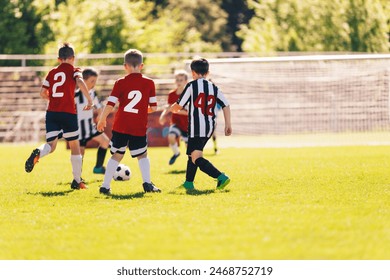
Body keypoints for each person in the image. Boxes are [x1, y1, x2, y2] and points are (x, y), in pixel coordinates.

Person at [25, 43, 93, 190]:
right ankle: (77, 181)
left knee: (51, 145)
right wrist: (89, 99)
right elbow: (80, 81)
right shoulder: (74, 70)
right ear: (73, 58)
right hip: (68, 112)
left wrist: (54, 99)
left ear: (58, 59)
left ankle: (39, 152)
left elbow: (42, 93)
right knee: (75, 146)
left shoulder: (52, 72)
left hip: (52, 113)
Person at [97, 49, 161, 195]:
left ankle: (105, 185)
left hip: (121, 125)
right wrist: (140, 110)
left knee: (117, 155)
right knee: (142, 155)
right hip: (138, 126)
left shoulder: (120, 82)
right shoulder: (149, 83)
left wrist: (102, 119)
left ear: (125, 66)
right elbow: (154, 107)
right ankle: (147, 184)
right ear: (142, 65)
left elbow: (110, 104)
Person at [169, 58, 232, 190]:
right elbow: (226, 105)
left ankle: (221, 176)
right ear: (208, 72)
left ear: (193, 73)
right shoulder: (214, 87)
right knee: (192, 153)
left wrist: (172, 108)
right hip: (209, 127)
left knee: (196, 157)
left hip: (196, 128)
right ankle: (188, 183)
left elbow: (179, 105)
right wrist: (228, 124)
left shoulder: (191, 86)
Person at [74, 68, 109, 174]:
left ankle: (98, 167)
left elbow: (98, 106)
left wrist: (100, 115)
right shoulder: (76, 94)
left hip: (90, 126)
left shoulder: (92, 93)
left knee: (105, 141)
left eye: (95, 81)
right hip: (79, 129)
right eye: (92, 81)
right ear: (83, 81)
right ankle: (77, 177)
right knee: (80, 153)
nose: (94, 84)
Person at [159, 70, 189, 165]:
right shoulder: (171, 94)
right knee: (171, 136)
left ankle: (191, 166)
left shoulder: (188, 95)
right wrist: (163, 115)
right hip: (176, 123)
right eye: (177, 80)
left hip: (188, 125)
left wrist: (176, 110)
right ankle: (176, 153)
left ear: (186, 82)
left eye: (181, 80)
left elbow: (189, 113)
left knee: (190, 150)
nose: (179, 82)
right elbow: (168, 107)